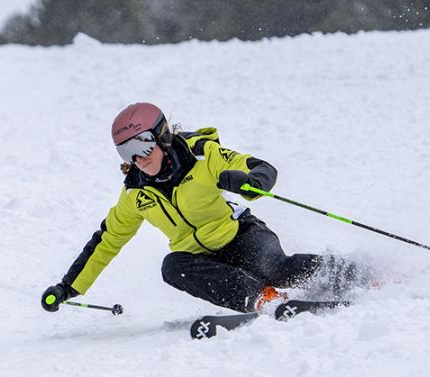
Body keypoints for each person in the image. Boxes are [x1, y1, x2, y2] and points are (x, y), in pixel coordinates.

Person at [41, 102, 358, 315]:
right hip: (202, 260)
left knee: (275, 268)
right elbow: (106, 241)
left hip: (241, 235)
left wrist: (251, 182)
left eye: (143, 145)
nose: (138, 158)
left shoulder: (203, 155)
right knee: (172, 266)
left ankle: (357, 272)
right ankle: (264, 299)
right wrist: (68, 288)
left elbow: (259, 167)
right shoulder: (136, 194)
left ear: (162, 136)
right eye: (127, 152)